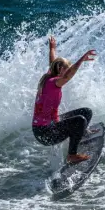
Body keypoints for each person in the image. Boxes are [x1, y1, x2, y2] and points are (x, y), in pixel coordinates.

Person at [32, 36, 97, 164]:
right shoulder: (53, 82)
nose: (68, 71)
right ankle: (71, 155)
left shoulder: (50, 75)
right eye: (66, 68)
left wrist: (52, 49)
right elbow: (69, 75)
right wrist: (82, 59)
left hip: (48, 126)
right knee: (79, 120)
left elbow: (53, 62)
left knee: (86, 112)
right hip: (46, 134)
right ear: (61, 70)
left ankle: (81, 134)